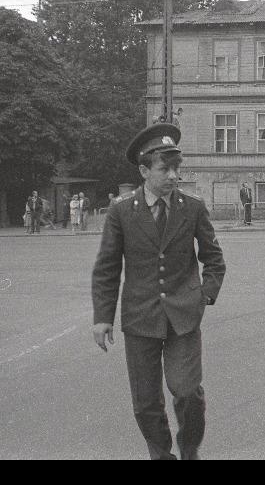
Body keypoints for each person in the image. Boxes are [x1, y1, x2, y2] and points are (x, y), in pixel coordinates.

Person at [91, 123, 226, 460]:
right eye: (165, 169)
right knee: (146, 403)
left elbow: (214, 259)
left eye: (176, 168)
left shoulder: (192, 207)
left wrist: (204, 294)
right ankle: (161, 456)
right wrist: (102, 317)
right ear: (143, 170)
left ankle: (190, 449)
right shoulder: (121, 211)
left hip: (183, 314)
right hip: (140, 317)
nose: (173, 176)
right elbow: (108, 267)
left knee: (187, 392)